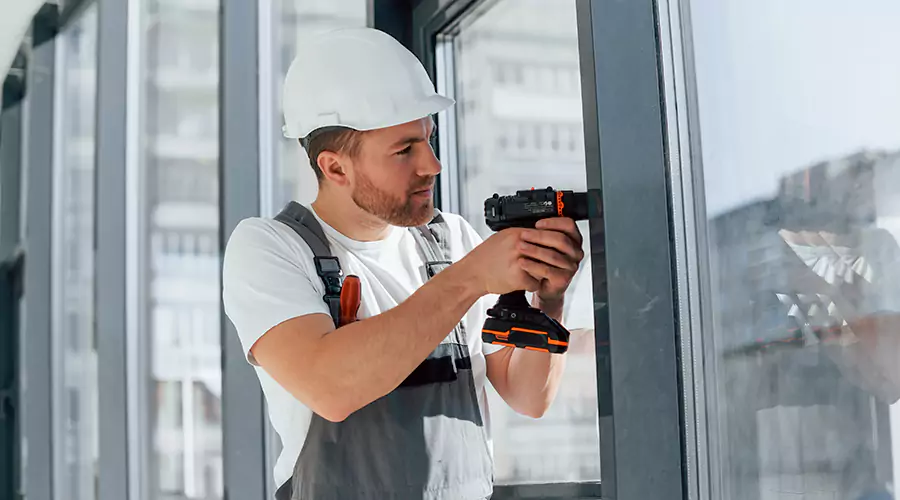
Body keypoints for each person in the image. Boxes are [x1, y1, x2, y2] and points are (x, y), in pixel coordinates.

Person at [222, 27, 584, 500]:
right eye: (404, 150)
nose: (432, 165)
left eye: (429, 140)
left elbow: (527, 396)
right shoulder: (270, 248)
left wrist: (549, 298)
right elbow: (330, 387)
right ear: (335, 168)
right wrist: (471, 277)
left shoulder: (452, 241)